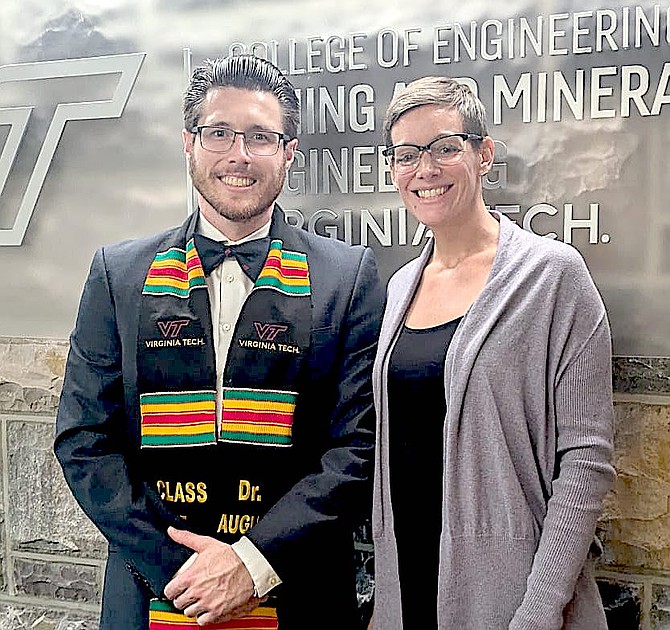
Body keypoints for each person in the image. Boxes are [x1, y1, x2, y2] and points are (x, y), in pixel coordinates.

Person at [54, 54, 384, 630]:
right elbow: (84, 439)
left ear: (288, 152)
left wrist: (251, 566)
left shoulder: (348, 276)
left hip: (300, 596)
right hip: (151, 591)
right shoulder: (118, 274)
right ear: (189, 142)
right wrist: (187, 570)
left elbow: (358, 447)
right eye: (220, 133)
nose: (239, 155)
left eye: (261, 136)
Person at [370, 76, 616, 629]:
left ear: (483, 155)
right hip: (408, 588)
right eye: (406, 155)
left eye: (444, 148)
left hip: (509, 597)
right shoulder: (400, 288)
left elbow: (585, 463)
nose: (424, 170)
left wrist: (538, 612)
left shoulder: (553, 277)